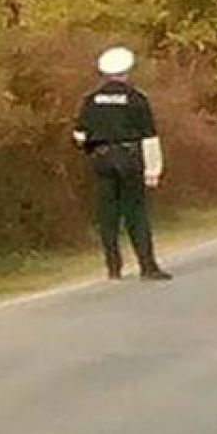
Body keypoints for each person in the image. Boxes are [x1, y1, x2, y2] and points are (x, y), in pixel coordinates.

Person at [72, 46, 173, 281]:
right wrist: (153, 170)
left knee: (107, 213)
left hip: (102, 158)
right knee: (135, 211)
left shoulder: (91, 100)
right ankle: (148, 267)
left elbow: (79, 136)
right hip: (129, 158)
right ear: (126, 72)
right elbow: (149, 136)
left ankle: (113, 268)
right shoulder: (136, 99)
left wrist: (92, 149)